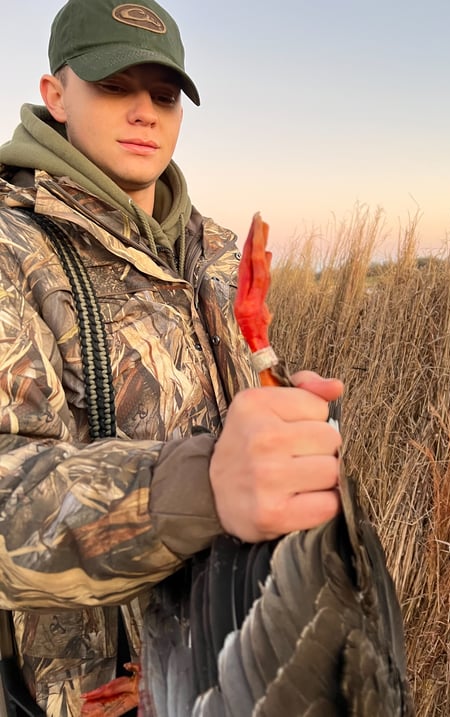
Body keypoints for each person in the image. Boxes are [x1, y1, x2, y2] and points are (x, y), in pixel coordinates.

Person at [0, 1, 343, 715]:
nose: (145, 113)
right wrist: (200, 485)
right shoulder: (12, 249)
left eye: (163, 95)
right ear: (55, 93)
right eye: (114, 85)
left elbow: (235, 415)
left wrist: (290, 418)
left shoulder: (214, 250)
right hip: (83, 694)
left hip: (227, 666)